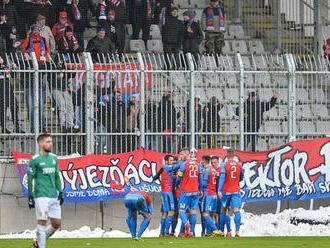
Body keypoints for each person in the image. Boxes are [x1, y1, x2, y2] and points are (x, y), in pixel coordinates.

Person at [27, 133, 64, 248]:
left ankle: (38, 242)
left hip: (53, 194)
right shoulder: (34, 160)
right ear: (41, 143)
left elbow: (56, 176)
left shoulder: (54, 158)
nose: (51, 144)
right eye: (48, 142)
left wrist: (60, 191)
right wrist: (30, 195)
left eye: (51, 142)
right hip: (41, 195)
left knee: (56, 223)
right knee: (42, 223)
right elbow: (30, 178)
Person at [175, 147, 202, 237]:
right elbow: (200, 179)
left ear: (187, 153)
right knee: (193, 210)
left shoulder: (184, 165)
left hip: (186, 191)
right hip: (195, 191)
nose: (180, 156)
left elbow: (179, 178)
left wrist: (176, 185)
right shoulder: (198, 165)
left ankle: (186, 224)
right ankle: (192, 232)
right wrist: (200, 190)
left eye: (182, 154)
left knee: (181, 210)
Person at [218, 148, 244, 237]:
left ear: (227, 155)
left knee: (224, 210)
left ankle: (224, 231)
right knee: (236, 210)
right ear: (234, 155)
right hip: (236, 190)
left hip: (226, 191)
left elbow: (222, 178)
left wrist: (219, 189)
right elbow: (241, 177)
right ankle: (237, 231)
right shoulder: (239, 165)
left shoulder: (224, 165)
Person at [154, 154, 180, 237]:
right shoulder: (167, 168)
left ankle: (163, 233)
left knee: (165, 213)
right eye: (171, 160)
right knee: (171, 212)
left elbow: (155, 177)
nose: (172, 162)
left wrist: (159, 177)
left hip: (168, 193)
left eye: (173, 161)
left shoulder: (165, 169)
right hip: (169, 194)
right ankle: (167, 232)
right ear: (166, 161)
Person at [201, 155, 223, 237]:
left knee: (204, 213)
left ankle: (215, 230)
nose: (201, 162)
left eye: (201, 161)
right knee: (210, 214)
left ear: (204, 161)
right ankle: (209, 232)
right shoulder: (214, 170)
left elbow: (204, 184)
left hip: (208, 194)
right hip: (214, 194)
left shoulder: (206, 170)